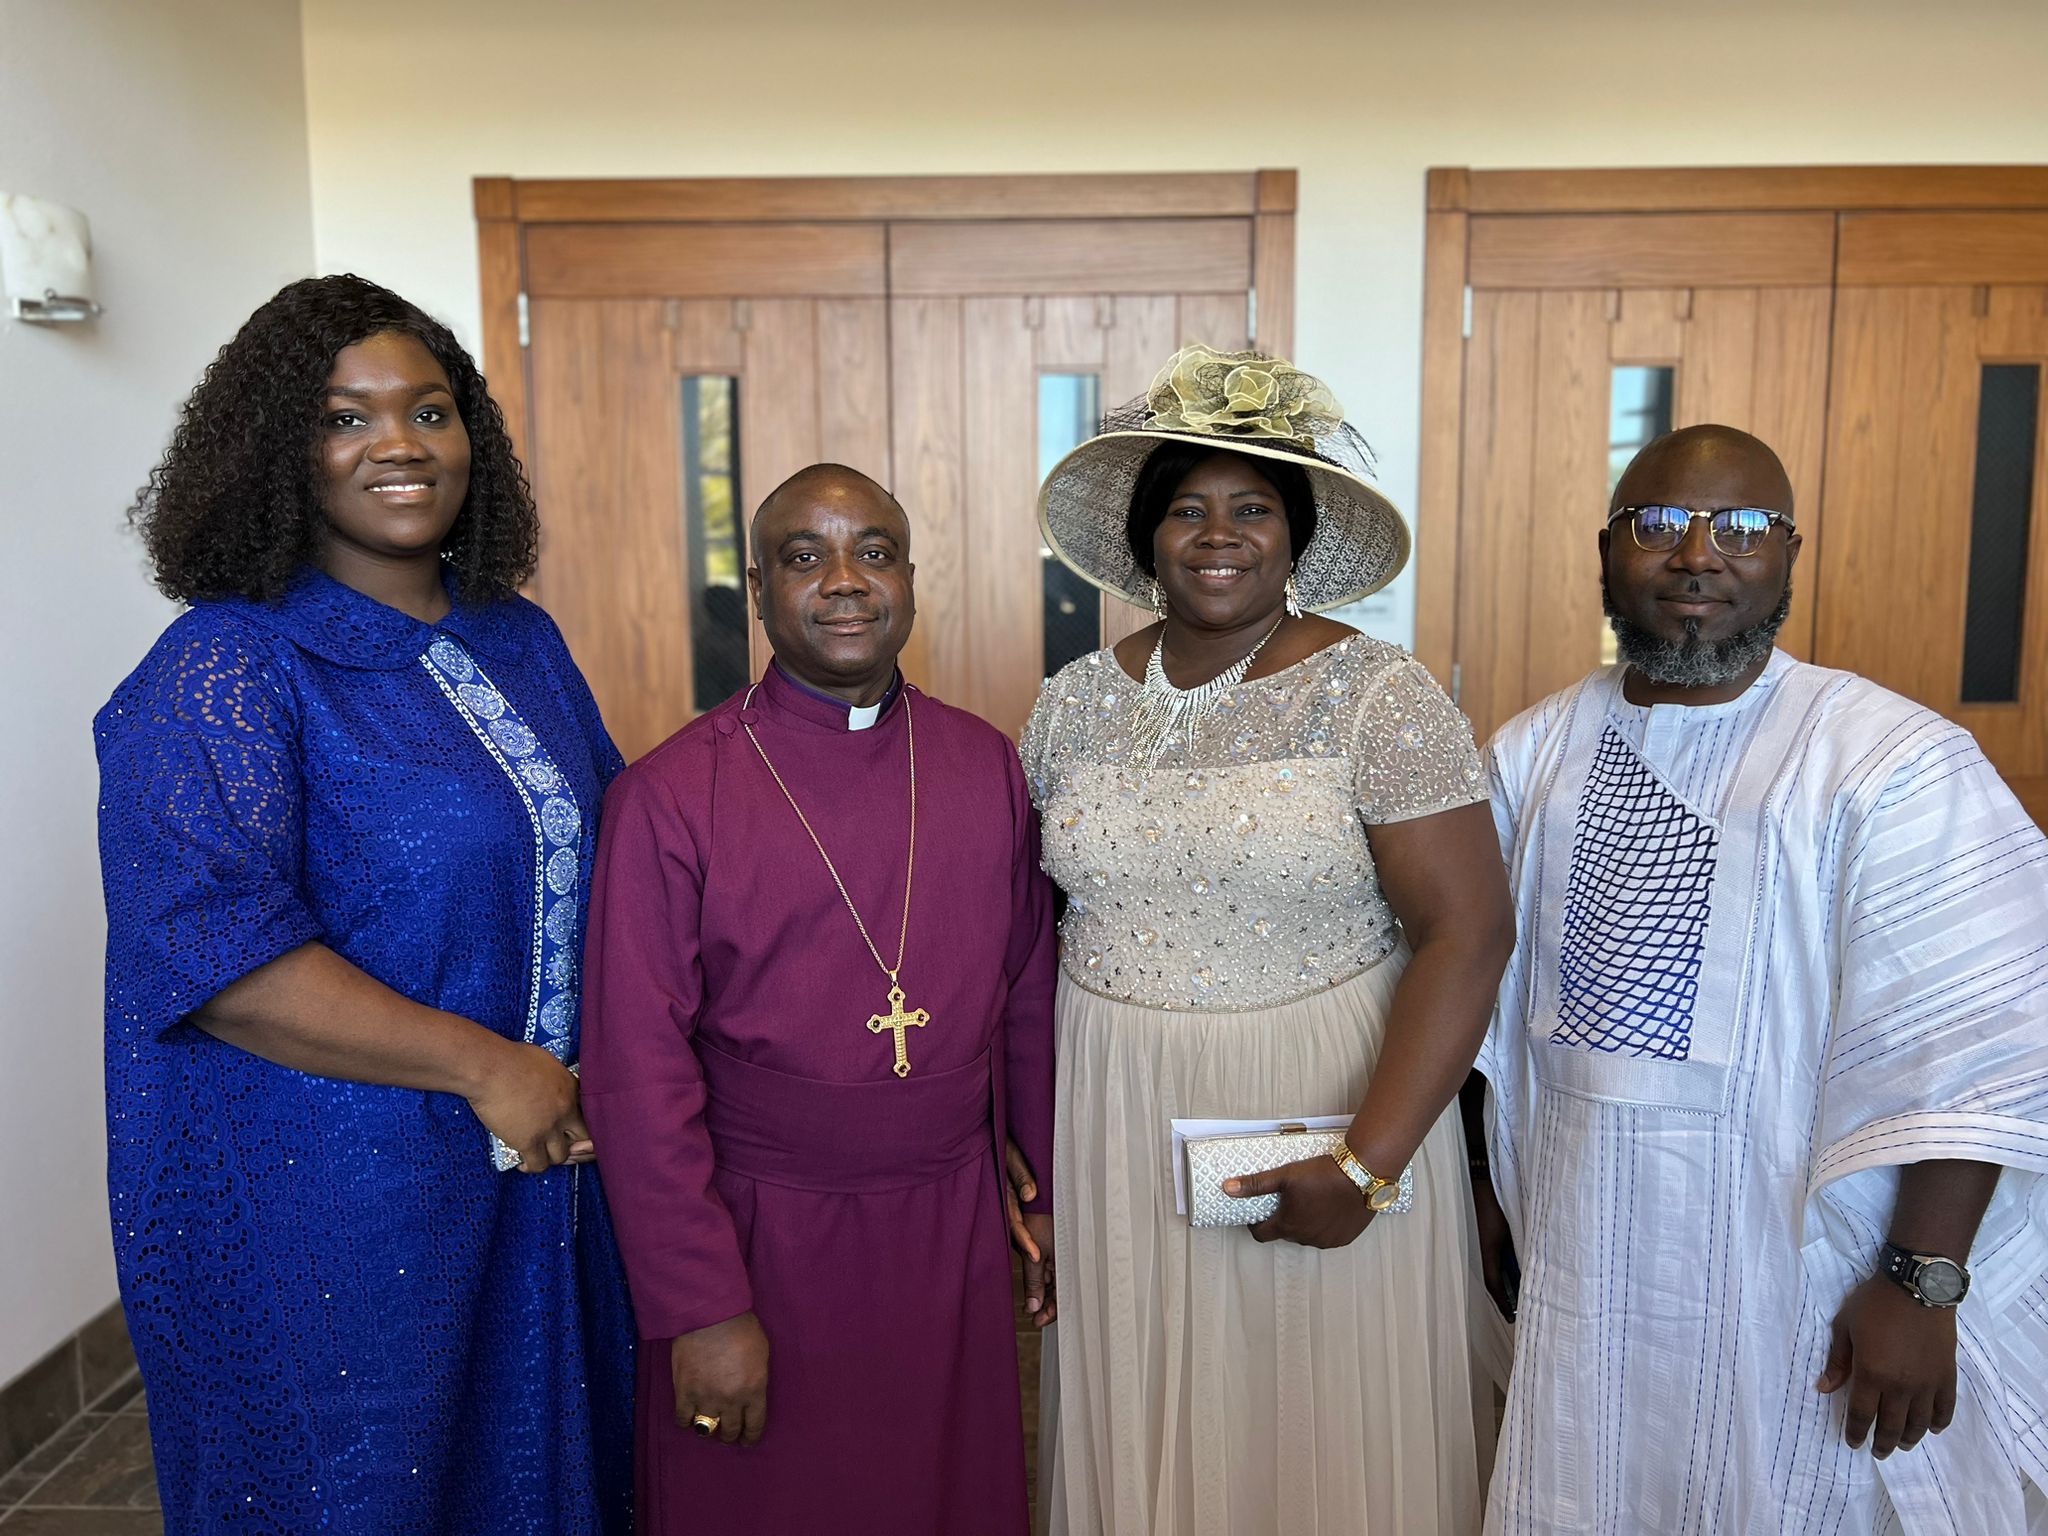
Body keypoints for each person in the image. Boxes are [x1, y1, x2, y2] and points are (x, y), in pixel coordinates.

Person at [95, 275, 632, 1533]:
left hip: (535, 1173)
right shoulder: (224, 666)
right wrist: (488, 1067)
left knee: (539, 1479)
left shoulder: (518, 639)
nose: (399, 443)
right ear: (276, 451)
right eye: (346, 417)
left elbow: (624, 843)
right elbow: (214, 956)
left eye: (429, 411)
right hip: (327, 1207)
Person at [1471, 424, 2048, 1533]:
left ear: (1788, 553)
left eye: (1741, 527)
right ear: (1605, 550)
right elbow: (1476, 993)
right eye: (1657, 525)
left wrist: (1921, 1280)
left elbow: (1979, 1038)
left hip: (1808, 1275)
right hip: (1579, 1253)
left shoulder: (1887, 758)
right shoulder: (1529, 754)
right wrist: (1482, 1193)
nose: (1698, 555)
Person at [1024, 345, 1515, 1534]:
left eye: (1250, 508)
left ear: (1294, 536)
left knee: (1310, 1415)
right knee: (1146, 1397)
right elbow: (1029, 924)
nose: (1217, 534)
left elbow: (1468, 933)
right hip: (1112, 1103)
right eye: (1185, 508)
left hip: (1326, 1099)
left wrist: (1365, 1163)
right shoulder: (1069, 701)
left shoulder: (1376, 695)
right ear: (1145, 537)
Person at [579, 463, 1056, 1535]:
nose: (845, 580)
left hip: (946, 1230)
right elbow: (635, 1077)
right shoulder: (669, 795)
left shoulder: (982, 764)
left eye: (873, 552)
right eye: (806, 557)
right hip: (758, 1239)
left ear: (910, 579)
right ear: (758, 589)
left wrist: (1044, 1196)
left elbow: (1029, 992)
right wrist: (701, 1308)